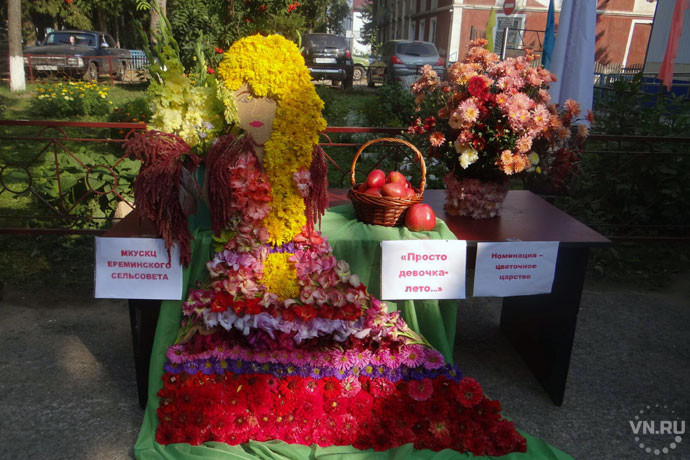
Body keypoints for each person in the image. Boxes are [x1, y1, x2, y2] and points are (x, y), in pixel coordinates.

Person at [128, 34, 526, 456]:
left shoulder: (305, 154)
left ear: (289, 103)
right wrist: (178, 168)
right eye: (243, 99)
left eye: (268, 99)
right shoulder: (225, 155)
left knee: (360, 340)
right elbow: (207, 210)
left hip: (300, 258)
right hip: (243, 261)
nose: (255, 112)